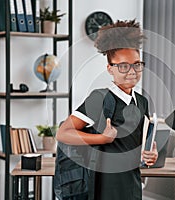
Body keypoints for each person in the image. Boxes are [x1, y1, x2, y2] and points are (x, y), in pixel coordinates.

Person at [55, 19, 158, 200]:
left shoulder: (142, 102)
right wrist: (102, 138)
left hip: (132, 184)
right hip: (103, 187)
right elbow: (63, 133)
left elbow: (141, 144)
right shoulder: (100, 98)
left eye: (137, 64)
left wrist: (151, 153)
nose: (132, 71)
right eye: (123, 66)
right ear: (110, 69)